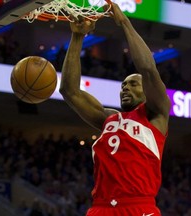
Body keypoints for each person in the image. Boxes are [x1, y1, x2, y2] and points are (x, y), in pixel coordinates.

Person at [59, 3, 171, 216]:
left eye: (132, 84)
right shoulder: (108, 118)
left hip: (138, 206)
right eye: (123, 86)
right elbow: (69, 91)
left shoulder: (156, 114)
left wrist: (124, 23)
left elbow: (147, 68)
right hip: (100, 208)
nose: (125, 88)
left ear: (147, 90)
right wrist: (77, 37)